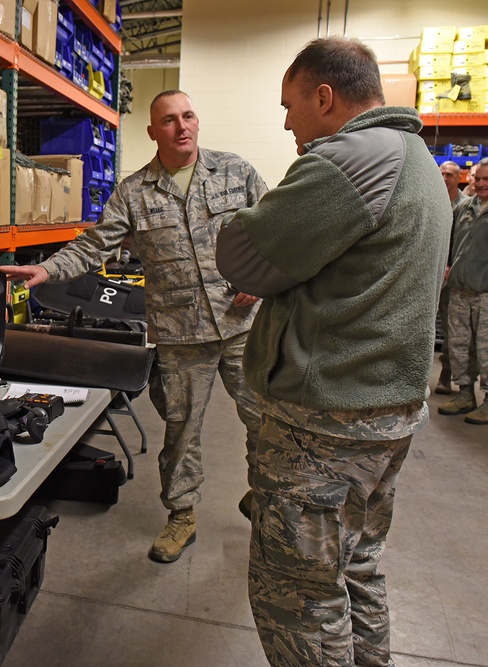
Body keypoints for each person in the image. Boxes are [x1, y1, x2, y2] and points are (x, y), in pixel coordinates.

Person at [216, 37, 451, 666]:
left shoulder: (349, 158)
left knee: (299, 598)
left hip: (323, 430)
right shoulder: (417, 159)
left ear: (326, 96)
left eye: (291, 105)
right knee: (356, 569)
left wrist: (240, 224)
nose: (287, 122)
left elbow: (242, 256)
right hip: (382, 416)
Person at [0, 90, 268, 564]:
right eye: (168, 120)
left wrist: (263, 277)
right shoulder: (135, 191)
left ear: (197, 121)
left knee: (269, 422)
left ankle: (266, 497)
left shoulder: (236, 172)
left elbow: (274, 230)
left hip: (242, 323)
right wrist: (46, 270)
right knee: (182, 432)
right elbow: (94, 246)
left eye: (188, 115)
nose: (181, 126)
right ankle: (182, 516)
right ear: (152, 132)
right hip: (182, 335)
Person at [437, 156, 488, 424]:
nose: (480, 184)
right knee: (458, 345)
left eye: (486, 180)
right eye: (477, 179)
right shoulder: (464, 208)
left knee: (486, 349)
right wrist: (446, 266)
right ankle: (465, 393)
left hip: (485, 292)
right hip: (459, 289)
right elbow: (450, 241)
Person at [433, 161, 471, 394]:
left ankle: (445, 375)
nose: (445, 178)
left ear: (459, 178)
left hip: (453, 275)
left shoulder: (465, 206)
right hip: (430, 271)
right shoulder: (433, 198)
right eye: (442, 174)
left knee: (450, 328)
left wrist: (449, 264)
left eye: (449, 175)